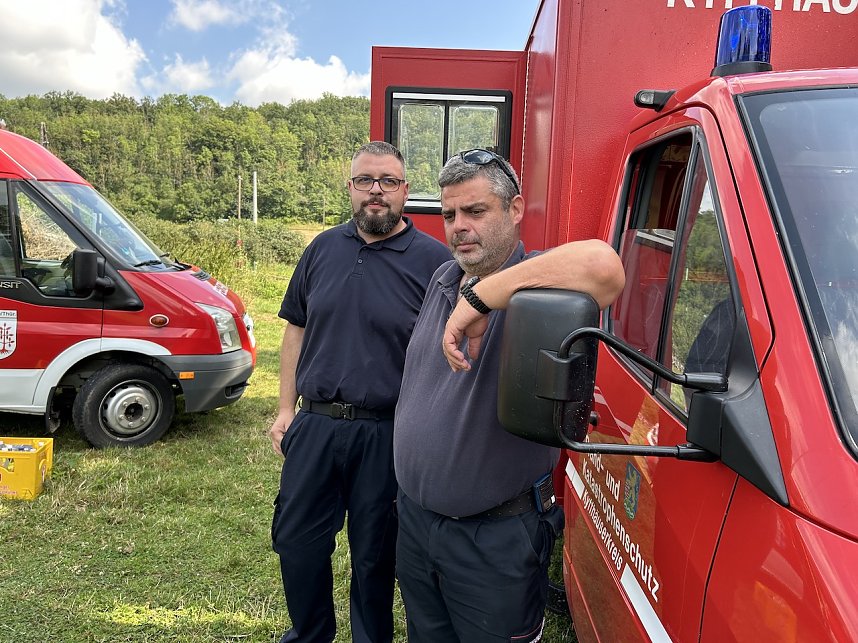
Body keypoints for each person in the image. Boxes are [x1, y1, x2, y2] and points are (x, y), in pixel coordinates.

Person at [394, 149, 625, 642]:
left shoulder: (538, 284)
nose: (458, 227)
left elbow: (605, 268)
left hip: (493, 538)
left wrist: (481, 298)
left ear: (515, 209)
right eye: (449, 214)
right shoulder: (443, 278)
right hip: (417, 524)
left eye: (476, 212)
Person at [269, 140, 451, 643]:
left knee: (375, 556)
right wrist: (286, 408)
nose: (376, 191)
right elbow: (296, 329)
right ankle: (309, 635)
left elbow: (448, 353)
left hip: (387, 434)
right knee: (297, 544)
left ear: (405, 191)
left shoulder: (435, 263)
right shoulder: (322, 248)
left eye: (388, 182)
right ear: (350, 188)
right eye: (366, 180)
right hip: (316, 424)